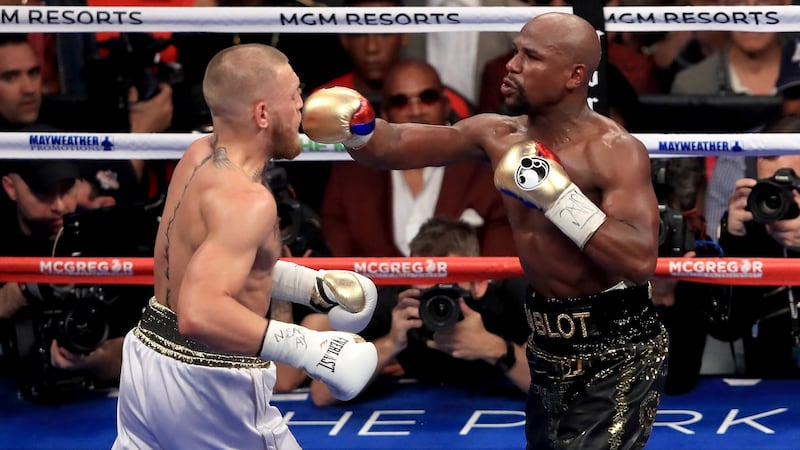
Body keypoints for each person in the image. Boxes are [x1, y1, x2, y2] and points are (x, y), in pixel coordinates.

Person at [302, 11, 668, 449]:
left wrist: (558, 198)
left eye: (530, 56)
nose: (512, 64)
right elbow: (395, 145)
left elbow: (639, 258)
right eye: (515, 50)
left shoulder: (614, 151)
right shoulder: (496, 134)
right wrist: (357, 126)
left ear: (574, 76)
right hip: (546, 342)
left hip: (617, 348)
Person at [112, 44, 379, 450]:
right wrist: (309, 348)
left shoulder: (197, 156)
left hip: (147, 355)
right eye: (293, 96)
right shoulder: (248, 202)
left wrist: (311, 288)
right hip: (207, 383)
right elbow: (199, 313)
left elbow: (211, 266)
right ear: (262, 114)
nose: (302, 108)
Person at [310, 216, 531, 407]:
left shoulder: (510, 301)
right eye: (425, 293)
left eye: (447, 288)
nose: (438, 304)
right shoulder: (397, 305)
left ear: (479, 283)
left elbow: (560, 389)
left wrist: (495, 349)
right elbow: (322, 394)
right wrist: (390, 344)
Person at [322, 59, 516, 258]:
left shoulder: (485, 167)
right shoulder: (351, 171)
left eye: (428, 97)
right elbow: (338, 253)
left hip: (465, 288)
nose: (416, 111)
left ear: (446, 105)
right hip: (374, 288)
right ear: (384, 113)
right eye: (400, 101)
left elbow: (499, 264)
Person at [0, 160, 138, 402]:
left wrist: (97, 359)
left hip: (92, 411)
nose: (59, 205)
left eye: (67, 189)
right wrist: (23, 288)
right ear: (10, 187)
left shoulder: (106, 240)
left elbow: (145, 352)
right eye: (43, 193)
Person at [716, 113, 800, 378]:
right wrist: (734, 242)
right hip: (765, 383)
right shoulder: (751, 221)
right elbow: (726, 329)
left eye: (795, 183)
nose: (785, 196)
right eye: (773, 185)